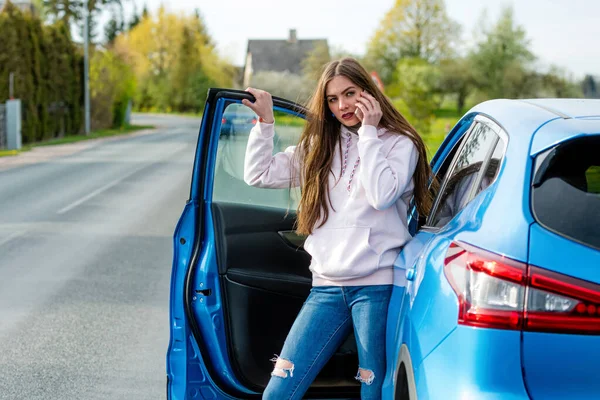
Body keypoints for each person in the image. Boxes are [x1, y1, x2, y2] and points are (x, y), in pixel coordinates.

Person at [242, 57, 434, 400]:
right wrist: (265, 122)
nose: (342, 105)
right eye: (333, 99)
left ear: (369, 93)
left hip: (376, 290)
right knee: (278, 392)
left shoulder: (399, 143)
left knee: (373, 394)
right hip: (326, 289)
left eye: (350, 93)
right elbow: (259, 174)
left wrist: (370, 133)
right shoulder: (321, 146)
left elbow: (381, 195)